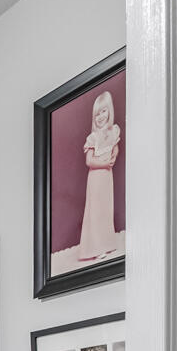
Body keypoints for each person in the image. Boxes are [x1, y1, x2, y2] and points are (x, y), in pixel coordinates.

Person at [77, 89, 123, 262]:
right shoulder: (93, 137)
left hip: (107, 178)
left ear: (109, 111)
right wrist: (104, 164)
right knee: (95, 211)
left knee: (105, 209)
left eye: (103, 111)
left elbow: (115, 147)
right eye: (97, 114)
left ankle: (106, 243)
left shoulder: (113, 131)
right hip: (96, 178)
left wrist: (114, 157)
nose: (100, 117)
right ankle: (95, 247)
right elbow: (89, 161)